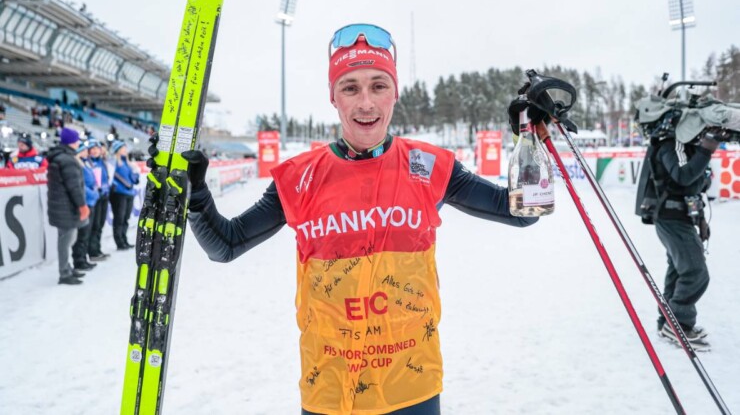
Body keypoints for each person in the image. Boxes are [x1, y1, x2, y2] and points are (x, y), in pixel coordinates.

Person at [168, 24, 544, 414]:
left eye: (378, 85)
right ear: (333, 98)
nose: (366, 102)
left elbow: (522, 210)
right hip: (331, 390)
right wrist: (197, 197)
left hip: (411, 386)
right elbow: (226, 245)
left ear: (395, 93)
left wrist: (528, 135)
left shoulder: (429, 166)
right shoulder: (300, 177)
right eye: (350, 88)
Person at [637, 116, 726, 352]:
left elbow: (694, 186)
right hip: (670, 217)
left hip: (681, 217)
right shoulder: (671, 145)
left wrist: (700, 220)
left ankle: (667, 322)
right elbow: (683, 176)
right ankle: (680, 325)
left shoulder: (687, 148)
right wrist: (706, 150)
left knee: (679, 270)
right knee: (696, 272)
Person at [46, 127, 90, 285]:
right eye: (77, 139)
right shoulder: (67, 160)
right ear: (72, 141)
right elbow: (74, 187)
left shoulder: (62, 157)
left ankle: (67, 268)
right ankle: (64, 273)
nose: (79, 142)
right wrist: (82, 205)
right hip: (65, 207)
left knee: (67, 239)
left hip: (62, 205)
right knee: (66, 241)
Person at [70, 142, 100, 271]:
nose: (87, 152)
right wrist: (93, 194)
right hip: (85, 203)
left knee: (86, 233)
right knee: (82, 233)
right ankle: (79, 260)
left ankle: (83, 258)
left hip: (90, 202)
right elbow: (81, 186)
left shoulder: (85, 163)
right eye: (84, 150)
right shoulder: (78, 165)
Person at [110, 140, 139, 250]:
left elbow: (133, 178)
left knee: (126, 218)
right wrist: (122, 185)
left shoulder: (127, 162)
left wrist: (134, 175)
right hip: (119, 194)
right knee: (119, 218)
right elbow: (112, 177)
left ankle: (124, 239)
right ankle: (119, 241)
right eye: (122, 148)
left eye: (125, 148)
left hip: (129, 193)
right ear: (117, 150)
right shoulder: (115, 162)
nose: (125, 150)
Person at [87, 139, 111, 260]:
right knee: (95, 225)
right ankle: (92, 252)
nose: (95, 151)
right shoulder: (88, 163)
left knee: (100, 224)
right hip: (95, 198)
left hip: (104, 197)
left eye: (97, 148)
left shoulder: (103, 161)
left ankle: (97, 249)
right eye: (92, 149)